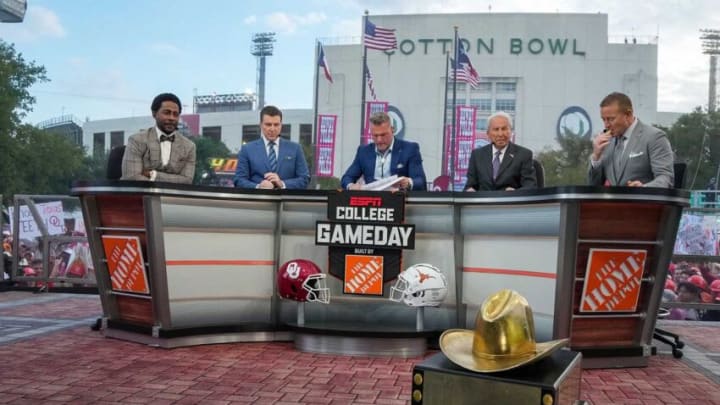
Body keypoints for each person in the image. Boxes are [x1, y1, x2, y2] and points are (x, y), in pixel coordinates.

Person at [588, 92, 673, 188]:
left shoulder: (654, 137)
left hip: (642, 202)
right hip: (612, 202)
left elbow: (666, 179)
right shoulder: (606, 143)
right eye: (603, 119)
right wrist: (596, 157)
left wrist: (643, 188)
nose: (606, 125)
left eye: (611, 119)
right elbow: (594, 186)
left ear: (628, 115)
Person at [121, 93, 196, 184]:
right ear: (154, 113)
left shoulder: (189, 147)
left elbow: (187, 180)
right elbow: (131, 177)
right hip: (141, 196)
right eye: (167, 113)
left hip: (173, 198)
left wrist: (153, 175)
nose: (172, 118)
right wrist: (174, 179)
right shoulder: (137, 140)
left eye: (175, 114)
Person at [341, 112, 427, 191]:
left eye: (383, 135)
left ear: (392, 130)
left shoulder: (409, 149)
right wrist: (351, 186)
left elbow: (420, 181)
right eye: (375, 135)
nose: (379, 140)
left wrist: (408, 182)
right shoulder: (363, 151)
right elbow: (347, 178)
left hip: (398, 201)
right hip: (371, 202)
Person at [234, 105, 309, 189]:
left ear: (281, 125)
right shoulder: (247, 149)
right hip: (258, 200)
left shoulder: (295, 149)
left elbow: (304, 179)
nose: (272, 129)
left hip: (286, 200)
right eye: (268, 124)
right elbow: (239, 180)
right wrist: (258, 187)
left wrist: (282, 184)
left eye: (276, 125)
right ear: (261, 125)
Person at [464, 111, 536, 191]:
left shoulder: (524, 155)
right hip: (484, 202)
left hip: (510, 202)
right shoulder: (477, 155)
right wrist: (469, 190)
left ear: (510, 132)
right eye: (496, 129)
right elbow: (470, 186)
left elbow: (530, 186)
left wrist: (515, 193)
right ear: (488, 133)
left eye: (504, 129)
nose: (500, 134)